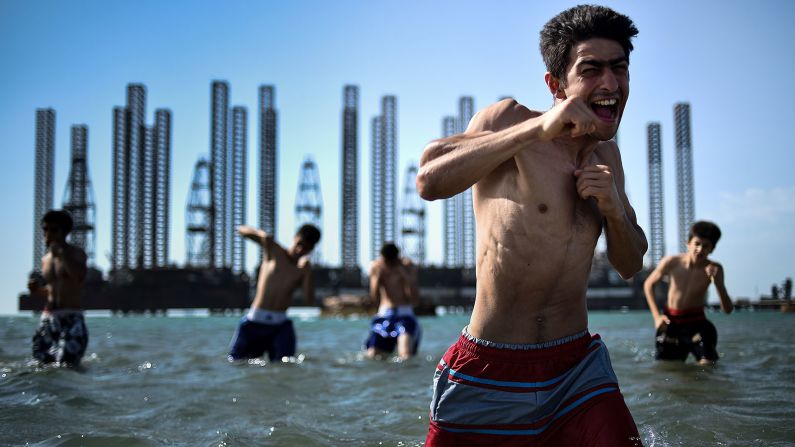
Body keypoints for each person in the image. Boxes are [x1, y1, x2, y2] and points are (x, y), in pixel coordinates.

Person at [416, 5, 647, 446]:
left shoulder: (608, 158)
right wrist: (537, 129)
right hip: (489, 366)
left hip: (578, 371)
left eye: (620, 69)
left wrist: (614, 209)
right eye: (591, 69)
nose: (611, 83)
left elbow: (630, 264)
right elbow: (429, 177)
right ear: (556, 84)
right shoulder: (508, 120)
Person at [643, 221, 733, 365]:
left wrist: (718, 283)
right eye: (697, 244)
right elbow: (648, 284)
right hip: (671, 323)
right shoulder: (672, 262)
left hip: (697, 323)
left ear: (712, 249)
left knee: (707, 366)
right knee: (667, 369)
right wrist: (657, 317)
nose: (700, 249)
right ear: (688, 243)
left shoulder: (715, 269)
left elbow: (728, 310)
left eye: (706, 246)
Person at [228, 224, 321, 362]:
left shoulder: (302, 269)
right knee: (236, 362)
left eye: (306, 248)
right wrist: (261, 235)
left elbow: (309, 300)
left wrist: (308, 273)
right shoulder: (275, 250)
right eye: (299, 244)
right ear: (295, 238)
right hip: (255, 321)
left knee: (285, 365)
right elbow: (241, 230)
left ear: (311, 250)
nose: (300, 250)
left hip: (280, 326)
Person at [27, 210, 89, 366]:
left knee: (67, 365)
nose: (48, 234)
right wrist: (35, 290)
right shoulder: (45, 259)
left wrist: (62, 255)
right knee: (40, 365)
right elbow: (52, 291)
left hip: (71, 317)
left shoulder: (76, 253)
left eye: (54, 230)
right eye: (45, 229)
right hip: (48, 318)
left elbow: (78, 278)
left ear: (64, 232)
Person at [364, 243, 421, 360]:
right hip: (384, 313)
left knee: (405, 354)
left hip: (404, 314)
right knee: (372, 354)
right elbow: (373, 297)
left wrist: (405, 275)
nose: (389, 265)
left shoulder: (406, 265)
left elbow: (415, 299)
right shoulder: (377, 266)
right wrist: (378, 277)